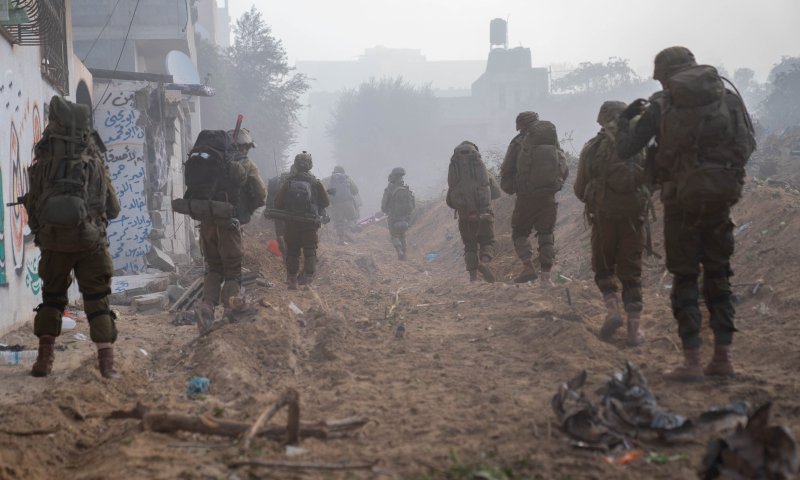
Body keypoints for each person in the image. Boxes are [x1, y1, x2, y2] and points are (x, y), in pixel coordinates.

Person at [616, 46, 756, 381]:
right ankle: (724, 358)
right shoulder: (728, 98)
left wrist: (625, 119)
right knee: (719, 273)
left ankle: (691, 360)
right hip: (721, 198)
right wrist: (719, 174)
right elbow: (748, 144)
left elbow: (627, 149)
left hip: (680, 201)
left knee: (685, 276)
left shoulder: (662, 104)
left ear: (665, 75)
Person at [24, 96, 122, 378]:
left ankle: (44, 362)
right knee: (97, 301)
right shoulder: (94, 157)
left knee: (52, 299)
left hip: (54, 242)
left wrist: (45, 230)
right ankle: (107, 366)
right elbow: (113, 208)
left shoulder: (45, 157)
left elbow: (33, 207)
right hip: (91, 243)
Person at [574, 101, 649, 346]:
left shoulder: (593, 148)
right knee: (632, 273)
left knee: (604, 269)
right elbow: (653, 178)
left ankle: (613, 311)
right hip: (634, 219)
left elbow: (579, 189)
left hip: (603, 218)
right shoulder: (640, 145)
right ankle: (634, 330)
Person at [194, 128, 266, 334]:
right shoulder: (246, 165)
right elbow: (261, 195)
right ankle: (229, 310)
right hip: (230, 223)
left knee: (214, 267)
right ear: (245, 146)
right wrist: (245, 214)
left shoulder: (210, 162)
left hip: (207, 221)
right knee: (232, 271)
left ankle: (206, 307)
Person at [500, 116, 569, 284]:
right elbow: (563, 166)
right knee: (546, 234)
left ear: (521, 125)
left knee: (519, 231)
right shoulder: (551, 141)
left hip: (526, 198)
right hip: (549, 196)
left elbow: (506, 169)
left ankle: (528, 266)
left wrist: (512, 188)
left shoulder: (518, 143)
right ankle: (546, 277)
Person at [446, 141, 501, 282]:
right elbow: (496, 193)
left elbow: (449, 201)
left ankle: (473, 278)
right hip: (484, 213)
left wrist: (462, 205)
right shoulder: (485, 173)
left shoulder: (455, 176)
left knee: (470, 245)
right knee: (487, 241)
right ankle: (484, 263)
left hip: (465, 216)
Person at [274, 151, 330, 289]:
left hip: (291, 223)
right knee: (310, 250)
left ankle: (292, 280)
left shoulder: (289, 182)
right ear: (310, 165)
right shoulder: (316, 183)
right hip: (310, 224)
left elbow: (278, 203)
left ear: (296, 164)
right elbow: (326, 202)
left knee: (292, 251)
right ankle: (308, 280)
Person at [381, 167, 415, 260]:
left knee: (395, 235)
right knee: (403, 235)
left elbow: (383, 207)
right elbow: (412, 204)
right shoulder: (406, 188)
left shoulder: (389, 190)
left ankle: (399, 250)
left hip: (393, 218)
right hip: (405, 219)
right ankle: (404, 255)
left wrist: (388, 211)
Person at [326, 166, 361, 244]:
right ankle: (350, 226)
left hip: (336, 204)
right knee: (352, 218)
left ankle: (341, 240)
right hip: (348, 202)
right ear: (343, 171)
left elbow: (329, 194)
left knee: (339, 222)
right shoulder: (347, 178)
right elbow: (355, 191)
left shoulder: (331, 179)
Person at [266, 167, 293, 257]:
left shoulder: (274, 181)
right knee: (289, 232)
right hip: (290, 212)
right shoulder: (294, 181)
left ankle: (283, 252)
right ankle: (289, 252)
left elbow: (269, 198)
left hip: (277, 211)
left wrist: (269, 209)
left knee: (279, 232)